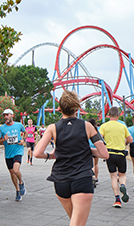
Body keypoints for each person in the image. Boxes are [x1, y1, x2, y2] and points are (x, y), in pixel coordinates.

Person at [35, 90, 109, 226]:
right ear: (77, 108)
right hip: (82, 178)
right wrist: (88, 151)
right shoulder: (88, 126)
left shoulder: (53, 128)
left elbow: (37, 153)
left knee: (75, 221)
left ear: (59, 109)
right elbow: (104, 154)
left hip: (60, 180)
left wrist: (50, 156)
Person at [99, 106, 133, 208]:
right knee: (122, 175)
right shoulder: (122, 126)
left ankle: (117, 199)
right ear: (118, 115)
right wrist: (125, 141)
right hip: (121, 154)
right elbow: (130, 139)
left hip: (110, 154)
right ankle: (122, 185)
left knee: (113, 176)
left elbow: (99, 139)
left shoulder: (104, 126)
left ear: (109, 115)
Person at [0, 108, 27, 201]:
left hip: (18, 151)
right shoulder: (2, 128)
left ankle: (21, 182)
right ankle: (17, 190)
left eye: (7, 115)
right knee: (12, 173)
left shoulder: (19, 125)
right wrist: (3, 140)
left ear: (12, 115)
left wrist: (23, 140)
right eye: (4, 115)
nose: (5, 117)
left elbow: (25, 132)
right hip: (8, 153)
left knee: (16, 170)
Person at [88, 119, 100, 188]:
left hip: (90, 148)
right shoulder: (97, 130)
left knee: (91, 165)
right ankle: (96, 177)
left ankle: (92, 177)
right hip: (96, 148)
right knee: (96, 164)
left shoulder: (87, 130)